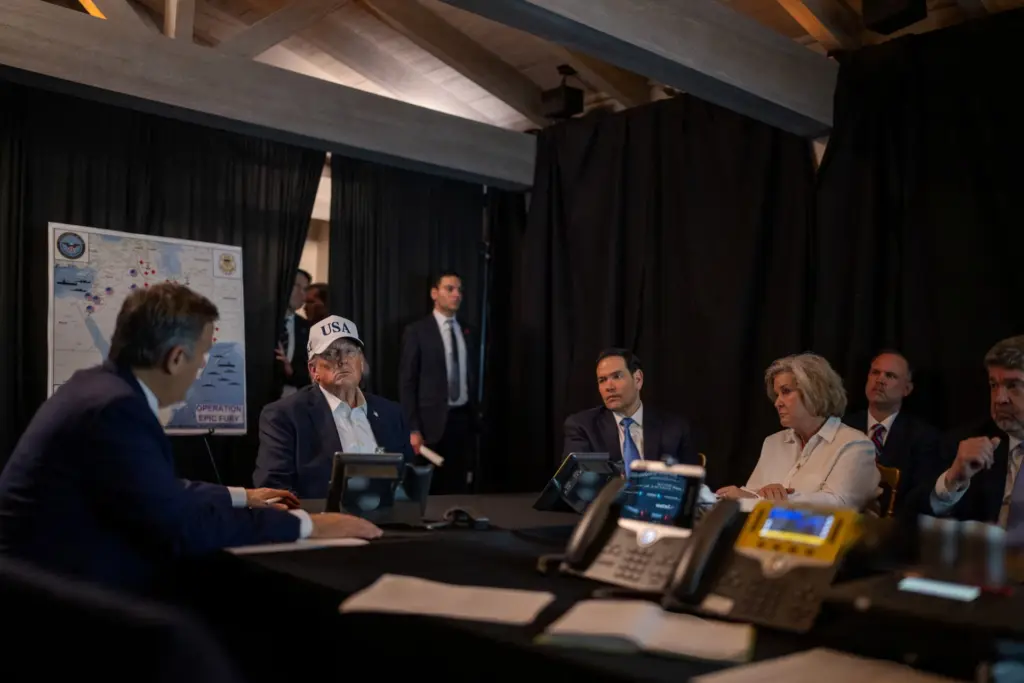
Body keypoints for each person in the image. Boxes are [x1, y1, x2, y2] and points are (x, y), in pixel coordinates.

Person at [0, 284, 380, 593]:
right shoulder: (115, 409)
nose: (202, 366)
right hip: (56, 595)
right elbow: (180, 524)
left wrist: (241, 495)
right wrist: (311, 526)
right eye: (203, 354)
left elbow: (159, 492)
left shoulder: (99, 390)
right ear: (176, 358)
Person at [256, 315, 415, 498]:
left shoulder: (391, 414)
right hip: (321, 516)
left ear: (361, 362)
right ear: (313, 370)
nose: (342, 360)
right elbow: (274, 490)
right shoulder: (284, 416)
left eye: (350, 352)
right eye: (331, 354)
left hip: (389, 514)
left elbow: (410, 481)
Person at [717, 353, 879, 509]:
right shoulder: (773, 442)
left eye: (786, 391)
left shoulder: (855, 444)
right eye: (777, 395)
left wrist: (772, 500)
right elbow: (753, 494)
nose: (777, 403)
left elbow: (838, 504)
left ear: (814, 391)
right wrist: (737, 496)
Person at [908, 336, 1024, 535]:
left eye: (1013, 385)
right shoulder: (966, 443)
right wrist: (953, 480)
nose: (999, 399)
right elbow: (911, 520)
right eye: (994, 385)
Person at [399, 271, 477, 494]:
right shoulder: (417, 331)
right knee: (429, 490)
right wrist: (412, 428)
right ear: (434, 293)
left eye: (459, 290)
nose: (456, 295)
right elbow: (407, 382)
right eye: (450, 289)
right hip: (429, 425)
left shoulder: (467, 331)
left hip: (461, 420)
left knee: (458, 486)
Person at [562, 348, 698, 471]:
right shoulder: (583, 427)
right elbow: (574, 481)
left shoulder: (675, 428)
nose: (609, 387)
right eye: (602, 380)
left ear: (638, 379)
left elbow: (691, 481)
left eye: (617, 376)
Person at [843, 350, 941, 511]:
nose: (880, 380)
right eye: (875, 372)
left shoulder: (923, 438)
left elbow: (919, 497)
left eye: (890, 376)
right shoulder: (844, 426)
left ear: (907, 389)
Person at [274, 269, 311, 398]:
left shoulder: (308, 328)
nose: (301, 293)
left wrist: (291, 371)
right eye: (296, 286)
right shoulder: (265, 322)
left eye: (305, 289)